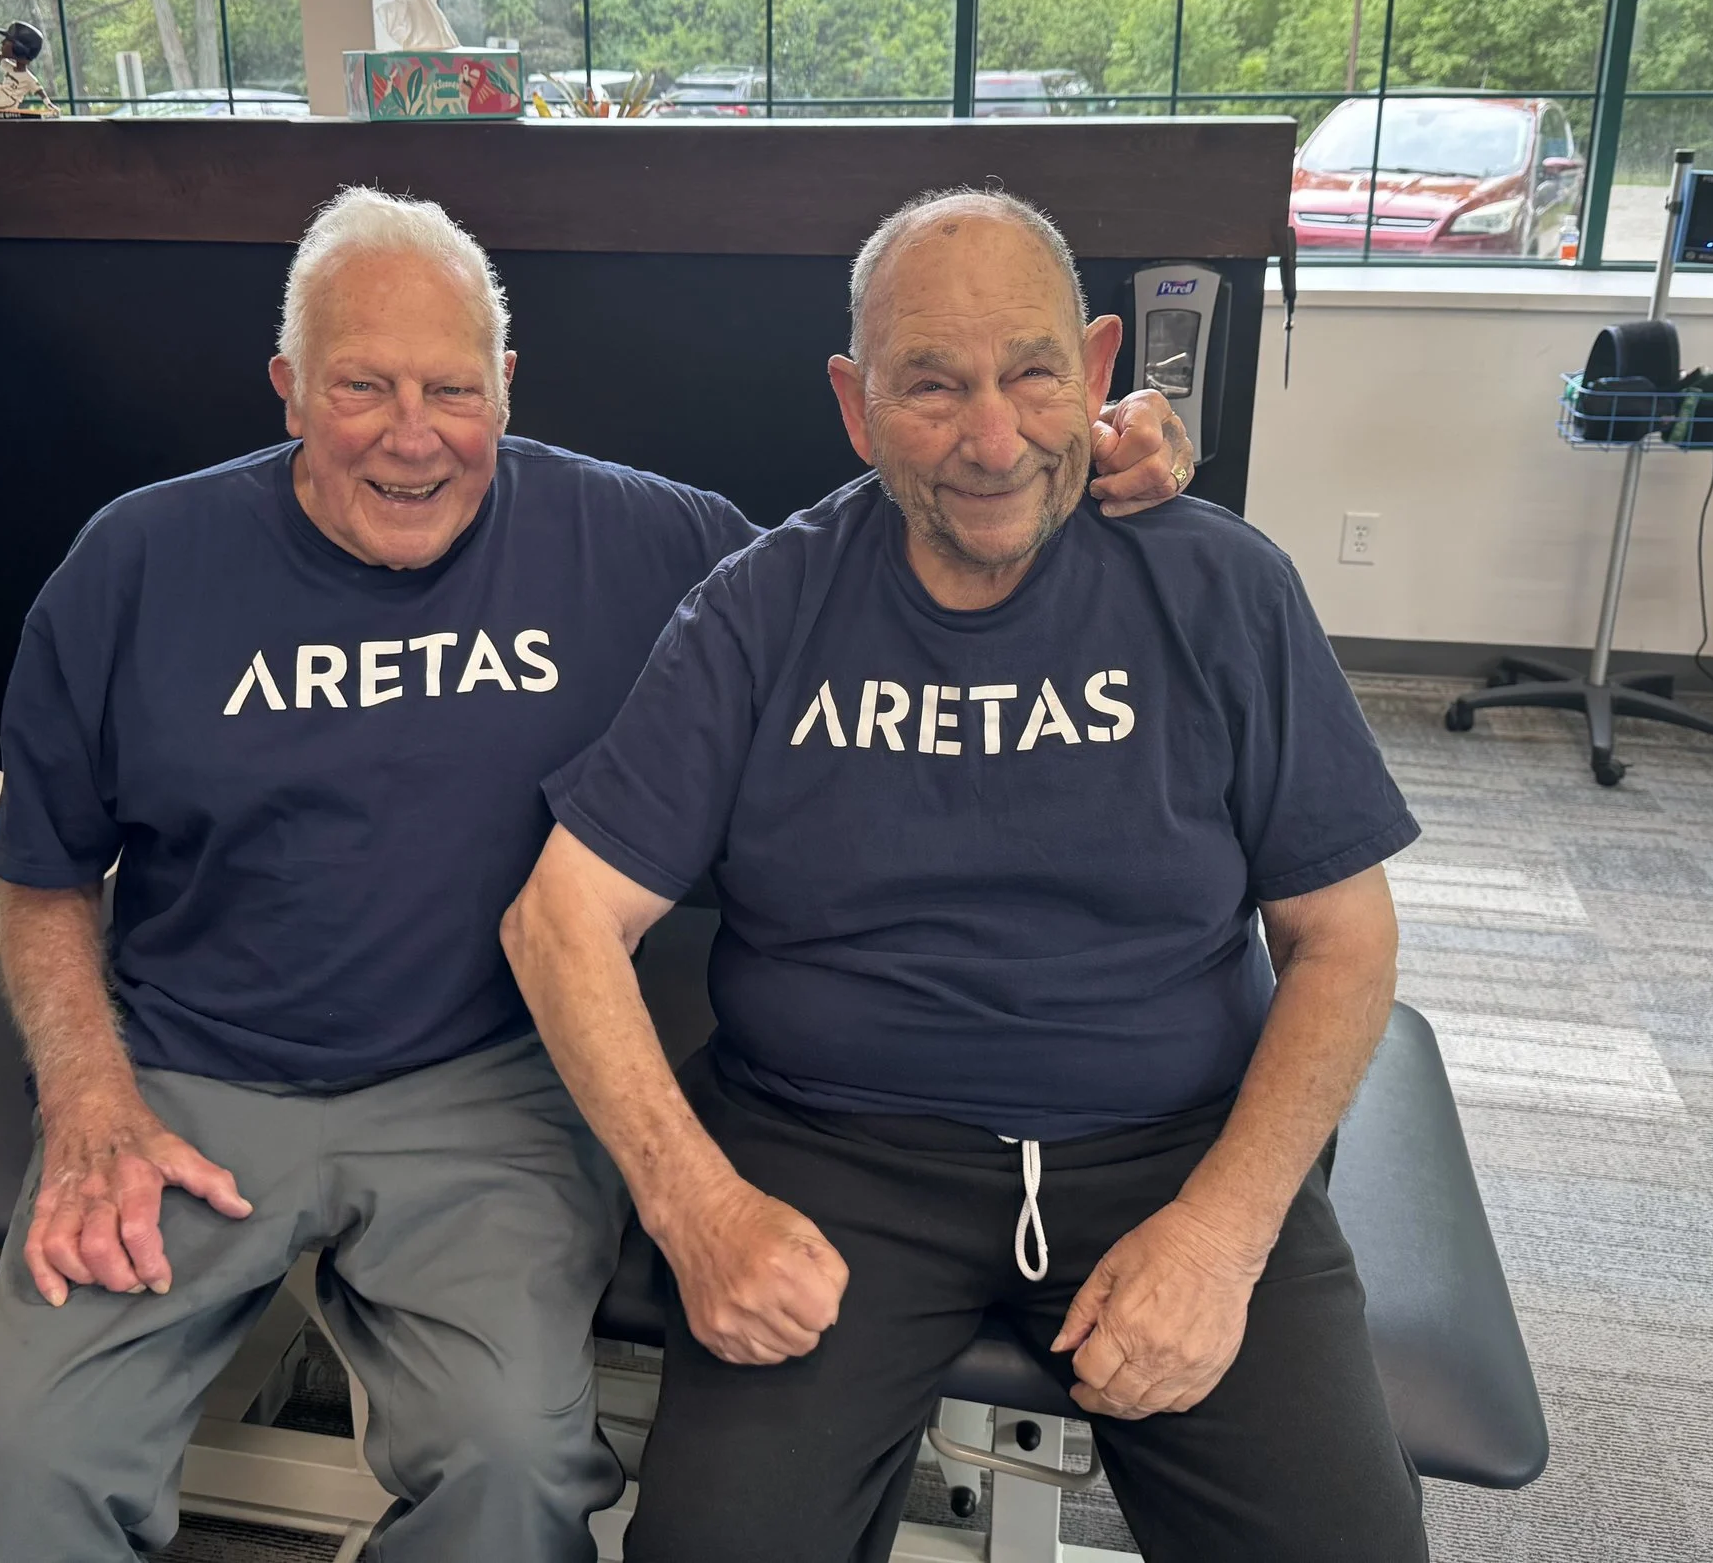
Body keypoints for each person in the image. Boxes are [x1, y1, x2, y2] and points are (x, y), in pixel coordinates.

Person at [0, 186, 1193, 1563]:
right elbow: (44, 875)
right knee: (20, 1478)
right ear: (289, 388)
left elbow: (887, 565)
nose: (414, 435)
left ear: (508, 388)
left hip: (493, 1084)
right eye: (363, 387)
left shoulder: (650, 543)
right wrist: (92, 1093)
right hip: (184, 1076)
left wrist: (1086, 459)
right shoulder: (133, 565)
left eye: (453, 388)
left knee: (518, 1468)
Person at [501, 187, 1426, 1563]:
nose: (993, 440)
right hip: (833, 1151)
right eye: (930, 386)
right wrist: (694, 1207)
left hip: (1177, 1145)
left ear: (1102, 369)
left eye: (1032, 374)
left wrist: (1228, 1236)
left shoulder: (1223, 587)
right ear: (855, 404)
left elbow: (1343, 940)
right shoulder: (765, 607)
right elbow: (559, 920)